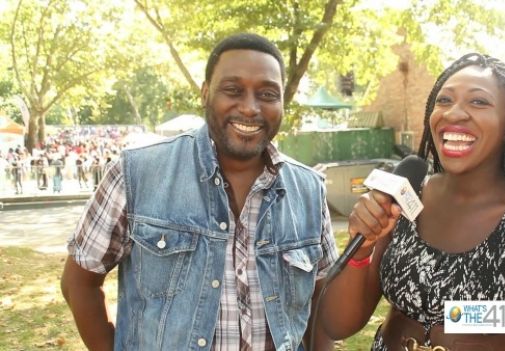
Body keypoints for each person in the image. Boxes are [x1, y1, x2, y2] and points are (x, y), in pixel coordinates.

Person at [61, 33, 338, 351]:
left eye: (267, 94)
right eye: (233, 90)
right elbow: (79, 283)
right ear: (206, 93)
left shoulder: (308, 189)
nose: (250, 108)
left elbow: (321, 306)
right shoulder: (136, 174)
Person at [320, 53, 505, 350]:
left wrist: (465, 316)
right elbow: (337, 323)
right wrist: (362, 248)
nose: (454, 113)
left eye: (478, 102)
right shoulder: (405, 199)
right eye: (444, 101)